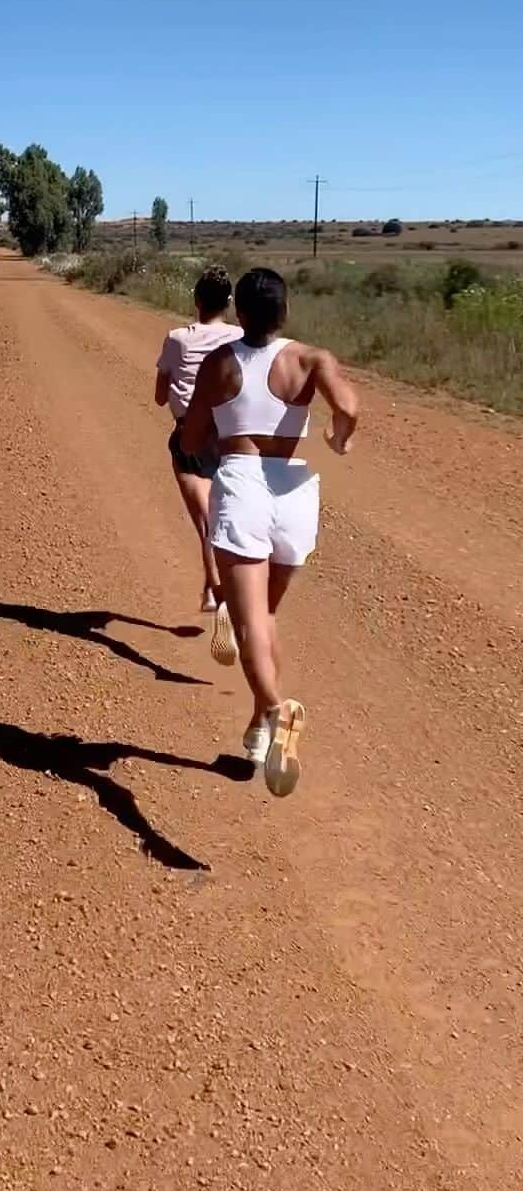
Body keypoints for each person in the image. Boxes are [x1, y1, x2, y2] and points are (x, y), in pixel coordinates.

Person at [181, 267, 358, 797]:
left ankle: (277, 710)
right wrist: (338, 437)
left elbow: (192, 436)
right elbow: (347, 408)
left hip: (242, 488)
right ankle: (261, 723)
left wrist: (218, 426)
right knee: (267, 616)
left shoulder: (221, 362)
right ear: (285, 310)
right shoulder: (310, 359)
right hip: (295, 494)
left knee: (247, 620)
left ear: (239, 312)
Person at [155, 265, 242, 635]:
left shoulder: (177, 339)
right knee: (227, 518)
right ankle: (219, 589)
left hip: (190, 434)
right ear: (230, 303)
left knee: (206, 522)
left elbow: (160, 397)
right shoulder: (240, 336)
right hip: (232, 436)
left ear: (196, 300)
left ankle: (216, 589)